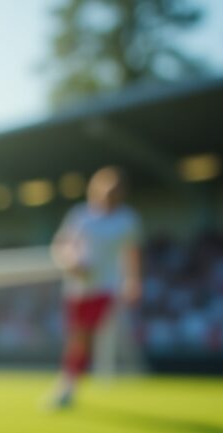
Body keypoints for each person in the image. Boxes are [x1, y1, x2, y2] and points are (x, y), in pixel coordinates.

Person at [48, 166, 142, 408]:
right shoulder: (81, 215)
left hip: (105, 287)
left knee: (85, 336)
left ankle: (69, 384)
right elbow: (62, 245)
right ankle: (69, 382)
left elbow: (131, 253)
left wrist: (133, 280)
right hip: (77, 287)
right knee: (77, 337)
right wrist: (71, 261)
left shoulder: (127, 220)